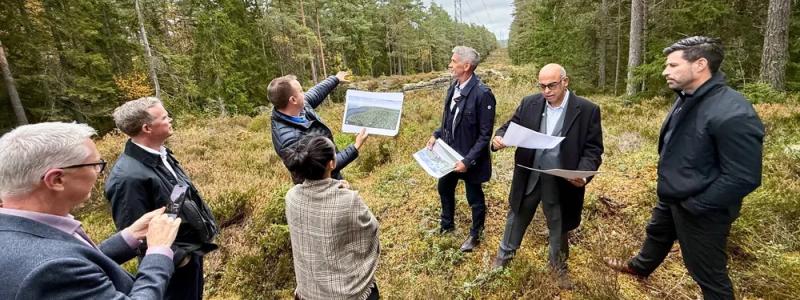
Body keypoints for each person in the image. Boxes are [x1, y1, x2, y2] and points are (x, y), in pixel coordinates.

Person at [603, 36, 764, 299]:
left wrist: (696, 205)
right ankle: (640, 267)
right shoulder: (688, 97)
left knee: (708, 273)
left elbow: (743, 176)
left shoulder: (733, 112)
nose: (665, 71)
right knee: (657, 233)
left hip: (703, 209)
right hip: (674, 194)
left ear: (700, 65)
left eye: (673, 65)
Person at [0, 122, 182, 299]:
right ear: (56, 180)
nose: (98, 172)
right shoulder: (52, 268)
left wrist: (128, 237)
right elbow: (63, 265)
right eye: (95, 165)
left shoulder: (16, 233)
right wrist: (158, 252)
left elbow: (75, 261)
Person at [491, 64, 604, 289]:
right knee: (517, 215)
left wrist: (582, 176)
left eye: (551, 85)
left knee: (559, 223)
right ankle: (503, 259)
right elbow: (507, 128)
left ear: (565, 81)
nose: (546, 91)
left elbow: (593, 149)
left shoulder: (587, 109)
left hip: (562, 180)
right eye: (541, 86)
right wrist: (498, 138)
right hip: (529, 175)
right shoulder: (529, 103)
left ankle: (558, 268)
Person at [105, 97, 219, 300]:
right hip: (169, 267)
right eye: (165, 117)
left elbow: (180, 196)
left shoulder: (161, 155)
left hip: (190, 253)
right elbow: (135, 232)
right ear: (147, 128)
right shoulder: (127, 178)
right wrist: (179, 258)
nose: (171, 119)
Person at [284, 134, 380, 300]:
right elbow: (371, 229)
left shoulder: (291, 196)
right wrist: (345, 193)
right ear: (332, 164)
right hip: (345, 293)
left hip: (307, 291)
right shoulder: (348, 200)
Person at [426, 46, 496, 252]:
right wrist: (436, 134)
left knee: (474, 196)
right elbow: (449, 120)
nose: (450, 64)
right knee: (444, 188)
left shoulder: (483, 95)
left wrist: (467, 161)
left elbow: (485, 135)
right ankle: (446, 226)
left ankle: (476, 234)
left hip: (470, 158)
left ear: (466, 66)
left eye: (453, 61)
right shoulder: (453, 86)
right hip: (449, 153)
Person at [269, 71, 369, 184]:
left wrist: (335, 79)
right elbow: (324, 166)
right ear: (293, 100)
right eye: (301, 91)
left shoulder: (297, 108)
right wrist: (355, 146)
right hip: (318, 189)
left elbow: (315, 93)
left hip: (330, 177)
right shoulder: (290, 140)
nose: (304, 94)